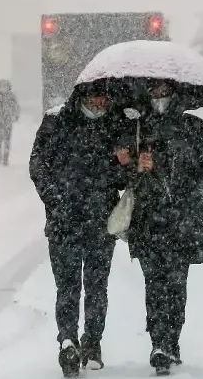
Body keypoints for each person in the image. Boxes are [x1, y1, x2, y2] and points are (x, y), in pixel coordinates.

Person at [116, 80, 203, 375]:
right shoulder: (138, 129)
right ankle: (159, 343)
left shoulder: (195, 129)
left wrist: (195, 212)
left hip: (182, 224)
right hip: (148, 222)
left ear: (176, 94)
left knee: (176, 287)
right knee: (155, 284)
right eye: (155, 92)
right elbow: (124, 179)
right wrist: (134, 167)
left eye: (165, 92)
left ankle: (171, 340)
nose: (160, 98)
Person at [29, 85, 123, 378]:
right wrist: (58, 202)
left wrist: (123, 164)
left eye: (104, 98)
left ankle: (92, 343)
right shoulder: (56, 121)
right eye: (95, 97)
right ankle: (68, 340)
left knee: (97, 287)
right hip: (64, 223)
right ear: (81, 96)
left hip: (100, 222)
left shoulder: (114, 124)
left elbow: (121, 178)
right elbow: (38, 166)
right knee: (68, 287)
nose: (100, 102)